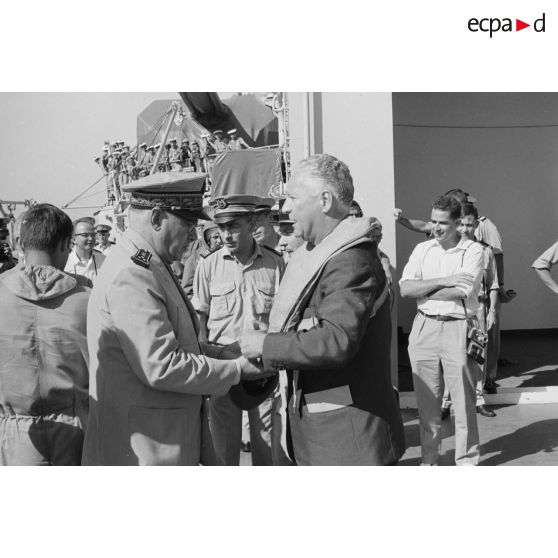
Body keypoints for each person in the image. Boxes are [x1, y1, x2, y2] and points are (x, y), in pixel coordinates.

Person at [82, 173, 271, 466]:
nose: (196, 236)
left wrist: (222, 353)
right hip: (145, 449)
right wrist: (234, 369)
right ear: (157, 218)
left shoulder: (150, 263)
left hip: (160, 441)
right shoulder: (133, 274)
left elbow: (176, 342)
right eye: (188, 224)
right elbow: (161, 364)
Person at [239, 154, 405, 465]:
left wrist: (265, 345)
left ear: (325, 200)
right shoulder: (321, 256)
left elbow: (337, 338)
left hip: (347, 443)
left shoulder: (350, 261)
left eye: (293, 197)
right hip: (324, 436)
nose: (285, 208)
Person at [193, 194, 285, 466]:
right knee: (223, 453)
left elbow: (282, 321)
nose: (226, 235)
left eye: (233, 226)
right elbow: (200, 320)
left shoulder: (275, 264)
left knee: (267, 450)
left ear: (251, 223)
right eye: (221, 228)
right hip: (224, 371)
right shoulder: (207, 267)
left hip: (263, 373)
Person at [0, 204, 91, 465]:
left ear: (21, 242)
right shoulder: (87, 300)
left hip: (16, 436)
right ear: (65, 243)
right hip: (77, 431)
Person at [400, 195, 484, 465]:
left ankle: (467, 461)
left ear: (458, 223)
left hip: (458, 327)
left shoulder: (473, 251)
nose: (435, 228)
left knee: (463, 402)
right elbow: (405, 289)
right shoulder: (422, 250)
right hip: (424, 326)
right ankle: (430, 459)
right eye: (432, 221)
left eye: (442, 223)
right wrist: (444, 280)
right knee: (427, 402)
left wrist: (426, 286)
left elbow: (460, 292)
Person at [441, 203, 499, 419]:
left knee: (477, 355)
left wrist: (492, 311)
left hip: (479, 309)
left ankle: (478, 399)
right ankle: (446, 402)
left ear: (476, 225)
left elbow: (492, 284)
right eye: (461, 224)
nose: (465, 229)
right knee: (451, 355)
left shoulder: (486, 251)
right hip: (454, 308)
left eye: (469, 224)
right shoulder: (447, 249)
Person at [181, 220, 222, 297]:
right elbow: (187, 290)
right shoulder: (196, 258)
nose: (219, 241)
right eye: (215, 237)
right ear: (208, 240)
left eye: (221, 236)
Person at [65, 217, 105, 284]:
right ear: (74, 239)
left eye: (93, 235)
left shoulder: (103, 260)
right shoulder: (66, 263)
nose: (91, 238)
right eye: (85, 235)